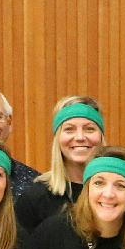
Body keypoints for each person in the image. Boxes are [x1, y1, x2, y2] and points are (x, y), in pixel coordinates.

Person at [14, 96, 106, 231]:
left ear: (101, 136)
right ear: (58, 138)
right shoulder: (35, 198)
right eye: (69, 129)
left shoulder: (118, 194)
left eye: (89, 129)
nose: (80, 137)